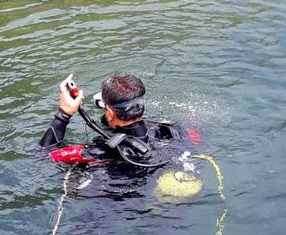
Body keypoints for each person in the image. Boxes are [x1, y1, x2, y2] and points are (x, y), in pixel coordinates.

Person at [39, 72, 195, 167]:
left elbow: (44, 155)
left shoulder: (97, 151)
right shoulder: (172, 129)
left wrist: (63, 115)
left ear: (110, 113)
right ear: (143, 105)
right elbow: (196, 138)